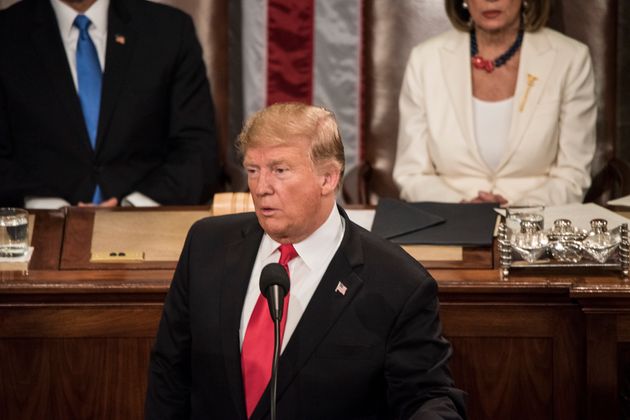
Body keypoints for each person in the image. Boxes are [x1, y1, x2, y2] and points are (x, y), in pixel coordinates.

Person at [145, 103, 466, 419]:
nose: (260, 188)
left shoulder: (398, 283)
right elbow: (170, 371)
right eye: (253, 170)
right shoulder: (207, 245)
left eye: (279, 170)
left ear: (328, 178)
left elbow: (426, 396)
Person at [0, 0, 219, 208]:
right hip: (32, 231)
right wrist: (46, 207)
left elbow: (197, 149)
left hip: (148, 224)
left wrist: (135, 206)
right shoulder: (7, 34)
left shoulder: (169, 31)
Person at [393, 0, 596, 206]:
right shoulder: (424, 60)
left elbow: (573, 175)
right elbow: (411, 174)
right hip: (449, 221)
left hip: (536, 224)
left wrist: (517, 211)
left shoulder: (570, 59)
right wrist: (464, 207)